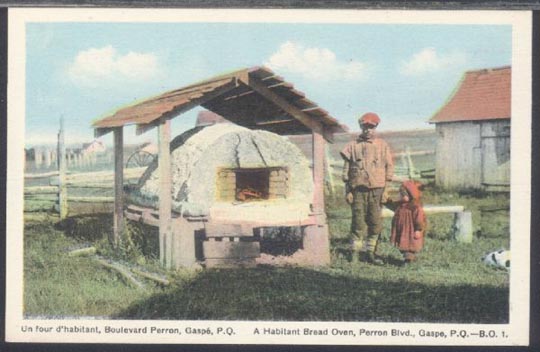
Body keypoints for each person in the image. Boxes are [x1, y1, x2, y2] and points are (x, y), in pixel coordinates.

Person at [340, 112, 394, 265]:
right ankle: (355, 254)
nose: (368, 130)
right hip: (358, 190)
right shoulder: (352, 146)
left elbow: (389, 168)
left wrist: (386, 190)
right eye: (365, 127)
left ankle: (370, 253)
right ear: (360, 127)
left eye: (371, 127)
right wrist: (348, 191)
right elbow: (346, 170)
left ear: (375, 127)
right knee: (357, 222)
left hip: (377, 190)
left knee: (375, 222)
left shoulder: (382, 145)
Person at [388, 180, 427, 264]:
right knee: (404, 245)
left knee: (410, 246)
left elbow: (419, 219)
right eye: (401, 194)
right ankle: (408, 258)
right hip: (403, 231)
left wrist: (418, 229)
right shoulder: (401, 205)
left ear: (410, 194)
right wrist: (387, 202)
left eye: (404, 194)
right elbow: (392, 206)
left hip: (411, 231)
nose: (401, 196)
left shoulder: (415, 207)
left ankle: (409, 260)